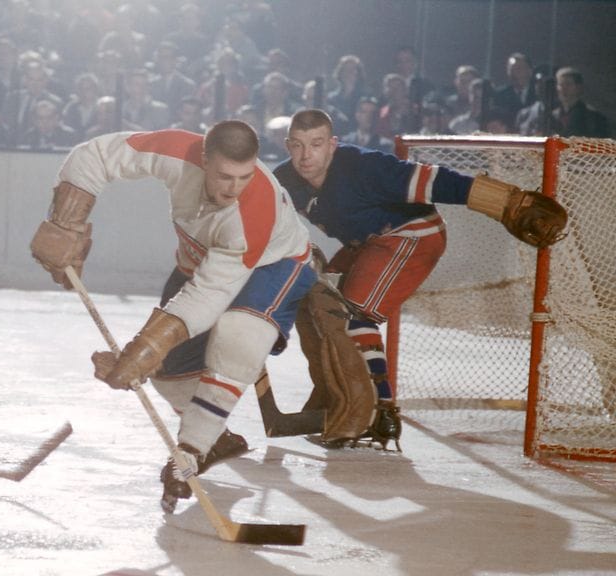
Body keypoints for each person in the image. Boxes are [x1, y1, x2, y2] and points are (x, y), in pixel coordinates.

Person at [30, 120, 316, 511]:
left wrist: (144, 349)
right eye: (224, 176)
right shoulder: (177, 152)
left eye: (244, 177)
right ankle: (217, 439)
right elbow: (93, 155)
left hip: (275, 264)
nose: (234, 189)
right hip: (201, 261)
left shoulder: (253, 212)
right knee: (167, 371)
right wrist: (66, 223)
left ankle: (193, 450)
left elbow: (208, 298)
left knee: (238, 337)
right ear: (203, 160)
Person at [272, 109, 567, 449]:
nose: (306, 156)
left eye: (316, 144)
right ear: (287, 145)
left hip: (412, 234)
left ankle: (378, 411)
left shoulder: (363, 166)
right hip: (368, 241)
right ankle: (331, 398)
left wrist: (504, 202)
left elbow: (432, 180)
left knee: (352, 316)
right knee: (317, 300)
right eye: (298, 145)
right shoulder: (285, 179)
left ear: (333, 144)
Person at [552, 67, 610, 138]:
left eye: (568, 84)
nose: (563, 89)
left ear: (578, 87)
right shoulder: (553, 116)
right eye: (560, 84)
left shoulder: (593, 118)